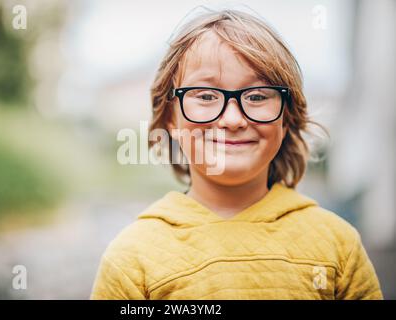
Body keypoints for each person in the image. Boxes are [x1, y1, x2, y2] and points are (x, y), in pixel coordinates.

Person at [90, 8, 383, 300]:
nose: (232, 119)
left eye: (256, 96)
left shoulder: (337, 245)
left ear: (286, 118)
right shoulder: (132, 258)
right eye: (205, 96)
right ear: (170, 118)